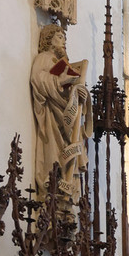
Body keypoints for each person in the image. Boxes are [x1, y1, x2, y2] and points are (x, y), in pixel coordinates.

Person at [29, 23, 89, 201]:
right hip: (52, 116)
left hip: (66, 116)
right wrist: (60, 81)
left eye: (65, 38)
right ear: (49, 40)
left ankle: (67, 187)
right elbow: (37, 79)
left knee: (69, 150)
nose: (64, 41)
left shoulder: (63, 64)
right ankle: (53, 183)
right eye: (60, 37)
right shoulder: (45, 58)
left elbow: (70, 93)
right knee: (53, 152)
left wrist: (79, 92)